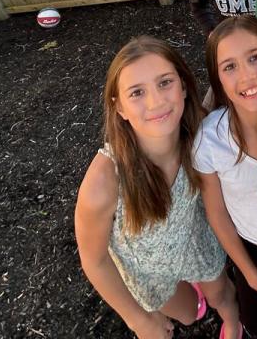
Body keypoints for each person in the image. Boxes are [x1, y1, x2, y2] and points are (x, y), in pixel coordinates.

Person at [75, 36, 242, 339]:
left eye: (165, 83)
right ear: (120, 107)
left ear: (182, 85)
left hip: (195, 241)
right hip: (149, 269)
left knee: (222, 297)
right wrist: (138, 320)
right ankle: (193, 296)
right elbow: (94, 259)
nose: (156, 102)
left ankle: (233, 322)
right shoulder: (105, 180)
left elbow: (222, 98)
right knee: (190, 315)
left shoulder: (198, 137)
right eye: (137, 92)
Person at [192, 16, 257, 339]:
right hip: (252, 252)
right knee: (255, 321)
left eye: (255, 57)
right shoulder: (210, 139)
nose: (247, 75)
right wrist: (254, 277)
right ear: (217, 79)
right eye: (229, 67)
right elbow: (217, 214)